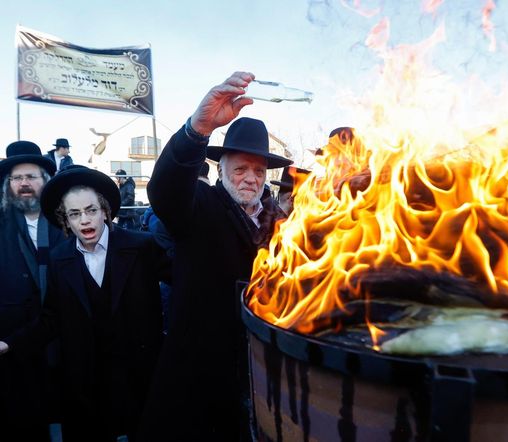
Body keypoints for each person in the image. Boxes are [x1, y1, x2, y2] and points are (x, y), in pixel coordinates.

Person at [140, 71, 291, 441]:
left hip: (257, 371)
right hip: (197, 370)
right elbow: (165, 190)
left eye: (258, 171)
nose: (250, 178)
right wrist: (197, 129)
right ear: (221, 169)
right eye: (240, 168)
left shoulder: (283, 225)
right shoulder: (200, 206)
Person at [0, 165, 168, 442]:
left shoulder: (141, 247)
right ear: (65, 220)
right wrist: (9, 343)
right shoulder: (59, 257)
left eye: (91, 210)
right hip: (87, 381)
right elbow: (51, 319)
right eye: (75, 214)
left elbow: (184, 283)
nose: (85, 221)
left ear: (105, 210)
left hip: (140, 374)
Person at [0, 140, 64, 442]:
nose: (24, 184)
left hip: (65, 339)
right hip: (15, 345)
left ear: (45, 181)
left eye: (31, 177)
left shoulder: (67, 221)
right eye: (17, 178)